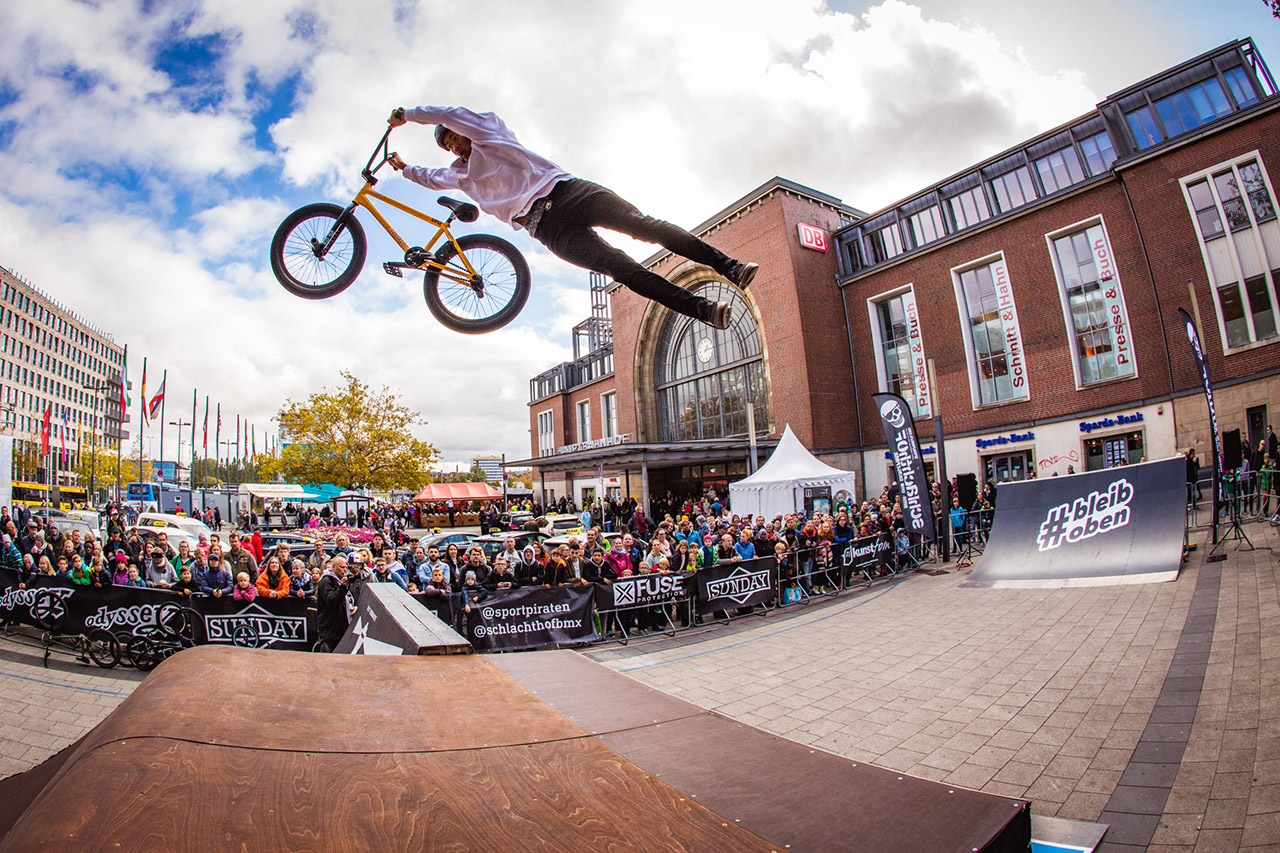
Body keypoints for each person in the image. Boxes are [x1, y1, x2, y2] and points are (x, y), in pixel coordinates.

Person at [386, 106, 758, 330]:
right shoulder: (461, 176)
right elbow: (430, 178)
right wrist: (404, 169)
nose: (453, 146)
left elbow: (447, 114)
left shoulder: (488, 133)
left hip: (568, 192)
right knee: (623, 270)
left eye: (453, 138)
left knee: (646, 227)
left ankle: (730, 267)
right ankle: (704, 311)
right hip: (548, 229)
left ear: (464, 131)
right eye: (448, 145)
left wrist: (408, 115)